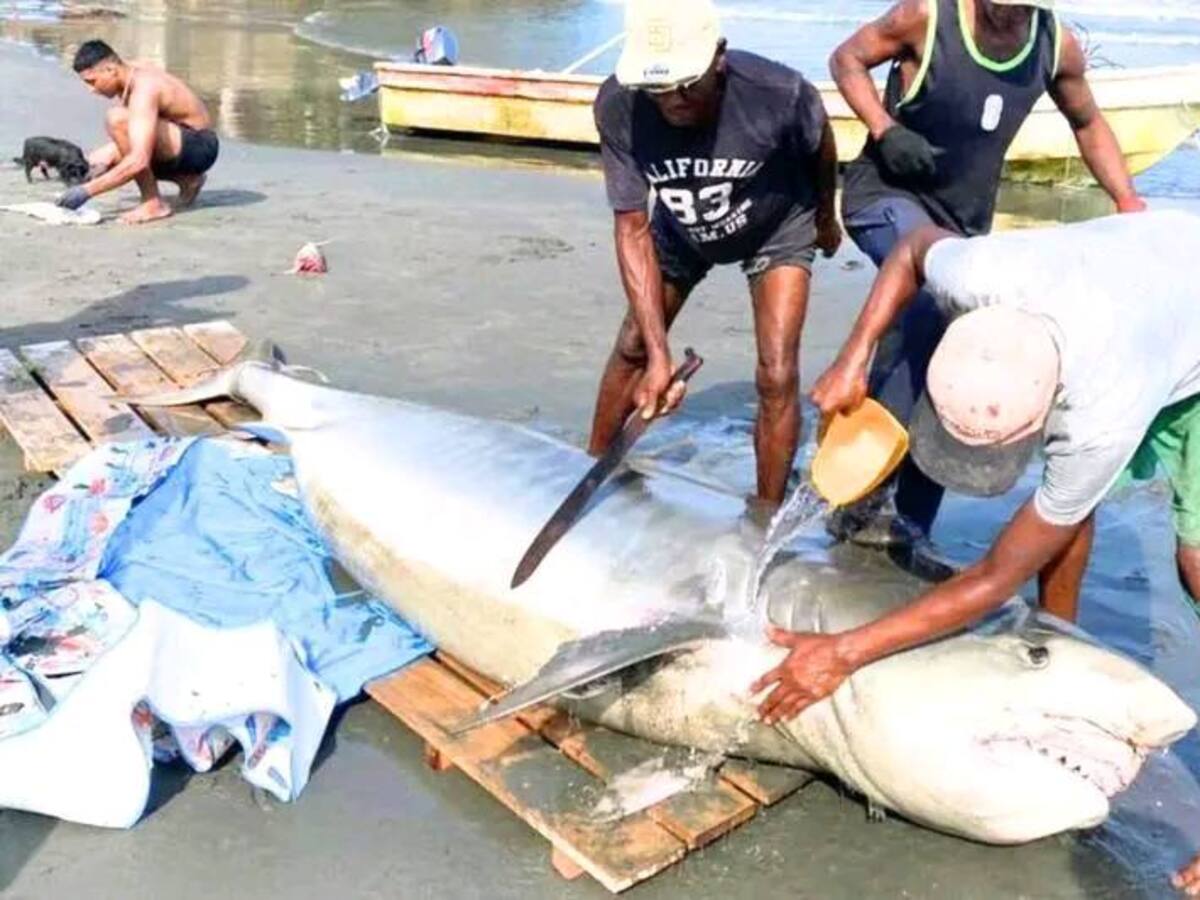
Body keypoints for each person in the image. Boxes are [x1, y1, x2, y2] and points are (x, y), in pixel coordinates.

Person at [746, 209, 1200, 890]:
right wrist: (854, 354)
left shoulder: (1102, 416)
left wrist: (842, 653)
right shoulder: (979, 273)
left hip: (1178, 327)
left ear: (1051, 406)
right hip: (1136, 278)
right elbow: (912, 250)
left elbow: (995, 576)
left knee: (1194, 564)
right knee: (1067, 506)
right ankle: (1060, 630)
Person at [827, 0, 1145, 544]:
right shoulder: (924, 16)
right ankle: (862, 488)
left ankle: (911, 521)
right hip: (884, 195)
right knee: (928, 296)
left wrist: (1128, 203)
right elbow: (847, 59)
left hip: (964, 225)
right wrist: (885, 129)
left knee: (955, 341)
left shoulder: (1053, 44)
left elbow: (1087, 122)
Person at [589, 0, 841, 506]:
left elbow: (822, 149)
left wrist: (824, 217)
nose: (673, 99)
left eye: (687, 83)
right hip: (684, 224)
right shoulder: (619, 106)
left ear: (718, 57)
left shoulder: (781, 94)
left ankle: (764, 509)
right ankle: (589, 464)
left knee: (776, 373)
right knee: (634, 343)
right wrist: (660, 357)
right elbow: (632, 227)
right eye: (658, 87)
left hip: (777, 224)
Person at [57, 40, 218, 224]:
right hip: (179, 139)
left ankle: (152, 203)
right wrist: (107, 158)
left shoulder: (144, 90)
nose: (91, 90)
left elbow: (139, 160)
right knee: (98, 159)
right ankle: (187, 180)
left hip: (199, 145)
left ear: (110, 70)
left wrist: (86, 191)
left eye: (92, 82)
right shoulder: (128, 70)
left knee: (117, 120)